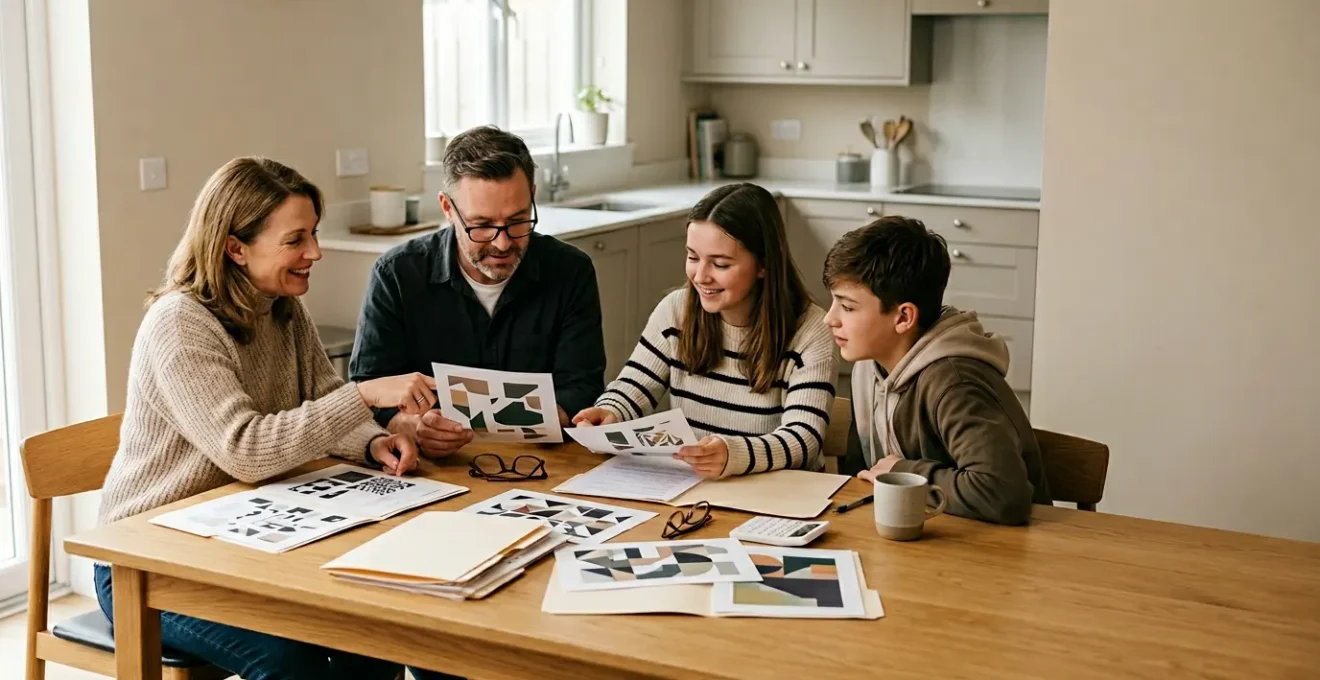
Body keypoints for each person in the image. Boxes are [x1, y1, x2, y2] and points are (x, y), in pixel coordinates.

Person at [96, 157, 432, 680]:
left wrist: (371, 444)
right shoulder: (182, 324)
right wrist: (365, 394)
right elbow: (246, 450)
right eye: (296, 240)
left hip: (240, 535)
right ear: (236, 248)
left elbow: (322, 399)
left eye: (313, 234)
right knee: (289, 660)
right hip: (147, 560)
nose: (314, 253)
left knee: (372, 633)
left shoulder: (281, 306)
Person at [350, 125, 606, 458]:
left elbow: (583, 386)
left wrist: (542, 422)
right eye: (482, 225)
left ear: (532, 194)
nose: (502, 242)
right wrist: (414, 427)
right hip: (431, 467)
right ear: (447, 208)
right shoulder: (397, 275)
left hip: (544, 461)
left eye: (518, 220)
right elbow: (369, 389)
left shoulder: (571, 271)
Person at [573, 183, 837, 477]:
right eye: (693, 257)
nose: (700, 276)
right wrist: (611, 411)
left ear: (763, 264)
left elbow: (804, 440)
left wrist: (732, 454)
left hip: (776, 497)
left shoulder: (811, 333)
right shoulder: (675, 311)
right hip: (693, 488)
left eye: (720, 264)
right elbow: (634, 387)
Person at [821, 216, 1051, 525]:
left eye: (847, 307)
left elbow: (1002, 493)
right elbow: (863, 471)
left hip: (1003, 551)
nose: (829, 319)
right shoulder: (869, 366)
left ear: (903, 317)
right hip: (926, 535)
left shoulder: (955, 382)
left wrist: (902, 471)